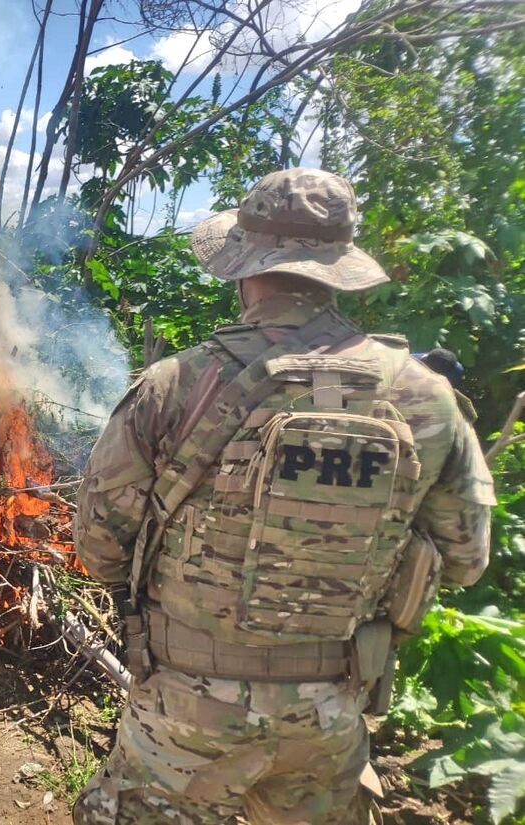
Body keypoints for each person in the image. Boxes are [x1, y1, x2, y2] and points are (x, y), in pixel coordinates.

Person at [72, 169, 494, 825]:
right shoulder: (426, 398)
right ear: (336, 268)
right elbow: (466, 559)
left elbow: (98, 545)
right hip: (330, 715)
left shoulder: (173, 385)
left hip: (186, 721)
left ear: (244, 265)